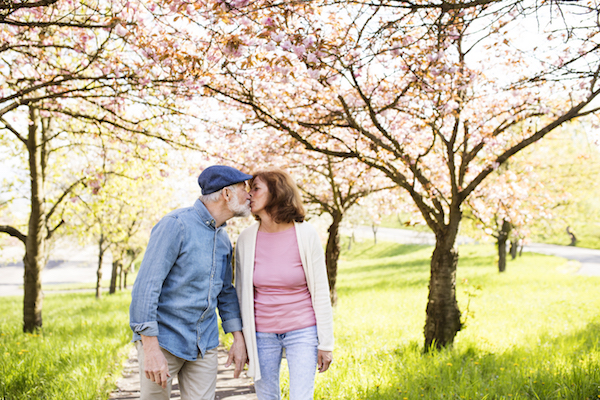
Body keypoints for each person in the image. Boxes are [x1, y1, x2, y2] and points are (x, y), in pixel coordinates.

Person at [129, 165, 252, 400]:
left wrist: (238, 338)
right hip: (163, 340)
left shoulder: (223, 238)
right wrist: (150, 348)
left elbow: (225, 293)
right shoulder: (176, 225)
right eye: (243, 188)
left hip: (204, 343)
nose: (249, 194)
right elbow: (146, 287)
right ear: (226, 194)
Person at [235, 169, 334, 400]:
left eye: (256, 188)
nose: (249, 195)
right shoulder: (245, 239)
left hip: (302, 330)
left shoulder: (306, 234)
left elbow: (320, 291)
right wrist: (243, 339)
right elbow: (241, 294)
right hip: (261, 333)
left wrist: (326, 343)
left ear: (277, 193)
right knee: (267, 396)